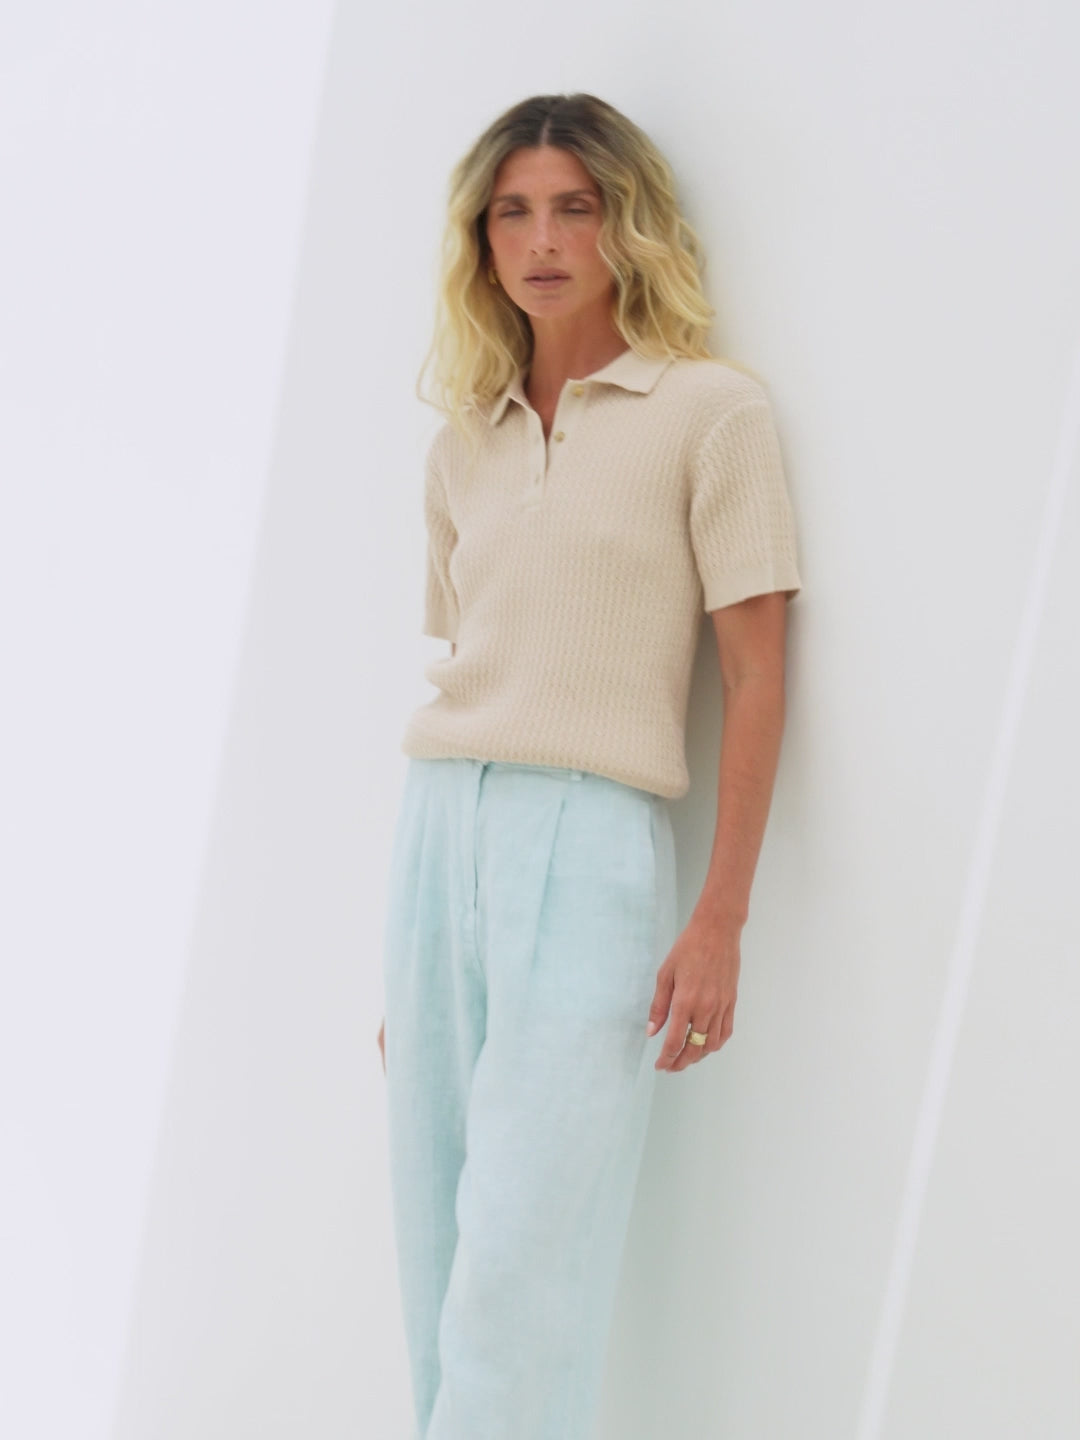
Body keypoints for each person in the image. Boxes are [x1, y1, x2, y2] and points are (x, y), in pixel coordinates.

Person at [378, 92, 803, 1440]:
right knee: (438, 1261)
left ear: (627, 226)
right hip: (440, 835)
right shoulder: (464, 441)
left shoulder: (712, 413)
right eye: (513, 212)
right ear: (481, 239)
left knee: (523, 1274)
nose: (544, 240)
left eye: (576, 207)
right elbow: (475, 663)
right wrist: (424, 954)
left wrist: (720, 916)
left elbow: (755, 675)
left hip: (591, 844)